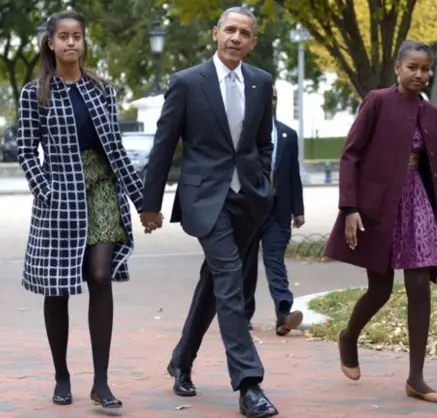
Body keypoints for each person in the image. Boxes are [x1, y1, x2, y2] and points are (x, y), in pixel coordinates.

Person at [139, 6, 278, 417]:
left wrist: (264, 184)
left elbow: (263, 141)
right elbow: (164, 145)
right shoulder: (187, 83)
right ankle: (249, 384)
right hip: (205, 198)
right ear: (216, 34)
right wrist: (150, 204)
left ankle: (181, 360)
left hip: (248, 200)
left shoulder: (260, 81)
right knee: (231, 279)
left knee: (215, 282)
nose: (236, 38)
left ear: (252, 42)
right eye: (229, 30)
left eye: (244, 33)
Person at [323, 40, 437, 404]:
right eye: (413, 68)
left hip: (418, 201)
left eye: (425, 69)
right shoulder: (377, 101)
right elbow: (350, 156)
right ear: (398, 68)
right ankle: (349, 335)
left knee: (419, 284)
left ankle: (416, 378)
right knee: (381, 289)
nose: (419, 75)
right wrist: (349, 207)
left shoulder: (433, 113)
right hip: (379, 206)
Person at [16, 10, 145, 409]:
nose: (71, 43)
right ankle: (61, 375)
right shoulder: (34, 93)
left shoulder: (101, 90)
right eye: (64, 37)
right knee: (58, 288)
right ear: (51, 43)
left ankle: (101, 381)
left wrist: (144, 202)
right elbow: (25, 150)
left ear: (83, 42)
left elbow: (117, 151)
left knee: (100, 276)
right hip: (60, 194)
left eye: (77, 36)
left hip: (103, 187)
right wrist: (45, 191)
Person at [243, 85, 305, 335]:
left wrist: (298, 209)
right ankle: (243, 314)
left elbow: (293, 175)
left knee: (275, 261)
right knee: (246, 266)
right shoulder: (244, 134)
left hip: (277, 212)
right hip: (248, 210)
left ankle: (283, 313)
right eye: (268, 97)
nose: (272, 102)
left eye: (276, 98)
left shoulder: (288, 135)